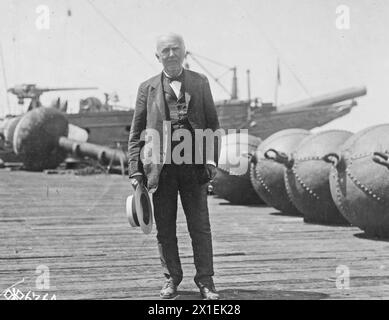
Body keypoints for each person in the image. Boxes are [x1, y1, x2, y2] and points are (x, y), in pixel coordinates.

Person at [127, 33, 221, 300]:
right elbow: (136, 134)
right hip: (161, 169)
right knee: (165, 227)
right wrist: (135, 171)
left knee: (200, 226)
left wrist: (212, 159)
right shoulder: (147, 88)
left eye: (175, 49)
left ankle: (206, 281)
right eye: (165, 51)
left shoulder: (200, 82)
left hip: (194, 167)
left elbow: (213, 125)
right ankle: (171, 279)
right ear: (157, 57)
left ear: (184, 52)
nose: (171, 54)